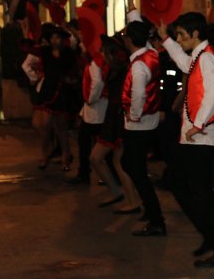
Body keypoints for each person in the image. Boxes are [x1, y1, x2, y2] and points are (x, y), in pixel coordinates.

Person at [157, 12, 214, 267]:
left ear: (195, 34)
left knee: (200, 193)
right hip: (194, 136)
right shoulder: (199, 56)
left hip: (201, 137)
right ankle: (211, 236)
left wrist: (198, 124)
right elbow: (183, 62)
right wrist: (166, 39)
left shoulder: (208, 59)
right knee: (182, 185)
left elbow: (213, 94)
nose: (179, 39)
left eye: (181, 34)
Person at [121, 20, 165, 236]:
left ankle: (156, 218)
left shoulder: (139, 65)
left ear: (129, 40)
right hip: (150, 120)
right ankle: (151, 211)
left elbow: (138, 95)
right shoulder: (151, 54)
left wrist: (134, 115)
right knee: (131, 165)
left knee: (135, 169)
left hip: (139, 124)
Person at [90, 34, 141, 215]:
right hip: (113, 116)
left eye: (105, 51)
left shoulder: (123, 70)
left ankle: (133, 201)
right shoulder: (114, 69)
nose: (102, 54)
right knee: (99, 158)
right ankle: (119, 193)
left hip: (119, 117)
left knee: (119, 162)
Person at [22, 24, 78, 171]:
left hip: (61, 91)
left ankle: (66, 155)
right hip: (47, 89)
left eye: (57, 37)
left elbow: (73, 71)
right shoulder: (45, 52)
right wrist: (26, 32)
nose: (55, 40)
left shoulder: (68, 53)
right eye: (52, 37)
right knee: (41, 124)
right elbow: (29, 50)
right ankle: (46, 152)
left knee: (61, 127)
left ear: (62, 39)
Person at [65, 49, 108, 184]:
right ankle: (89, 173)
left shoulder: (96, 63)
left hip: (96, 110)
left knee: (90, 143)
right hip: (96, 109)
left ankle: (88, 174)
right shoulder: (100, 62)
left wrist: (90, 99)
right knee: (89, 143)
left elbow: (97, 83)